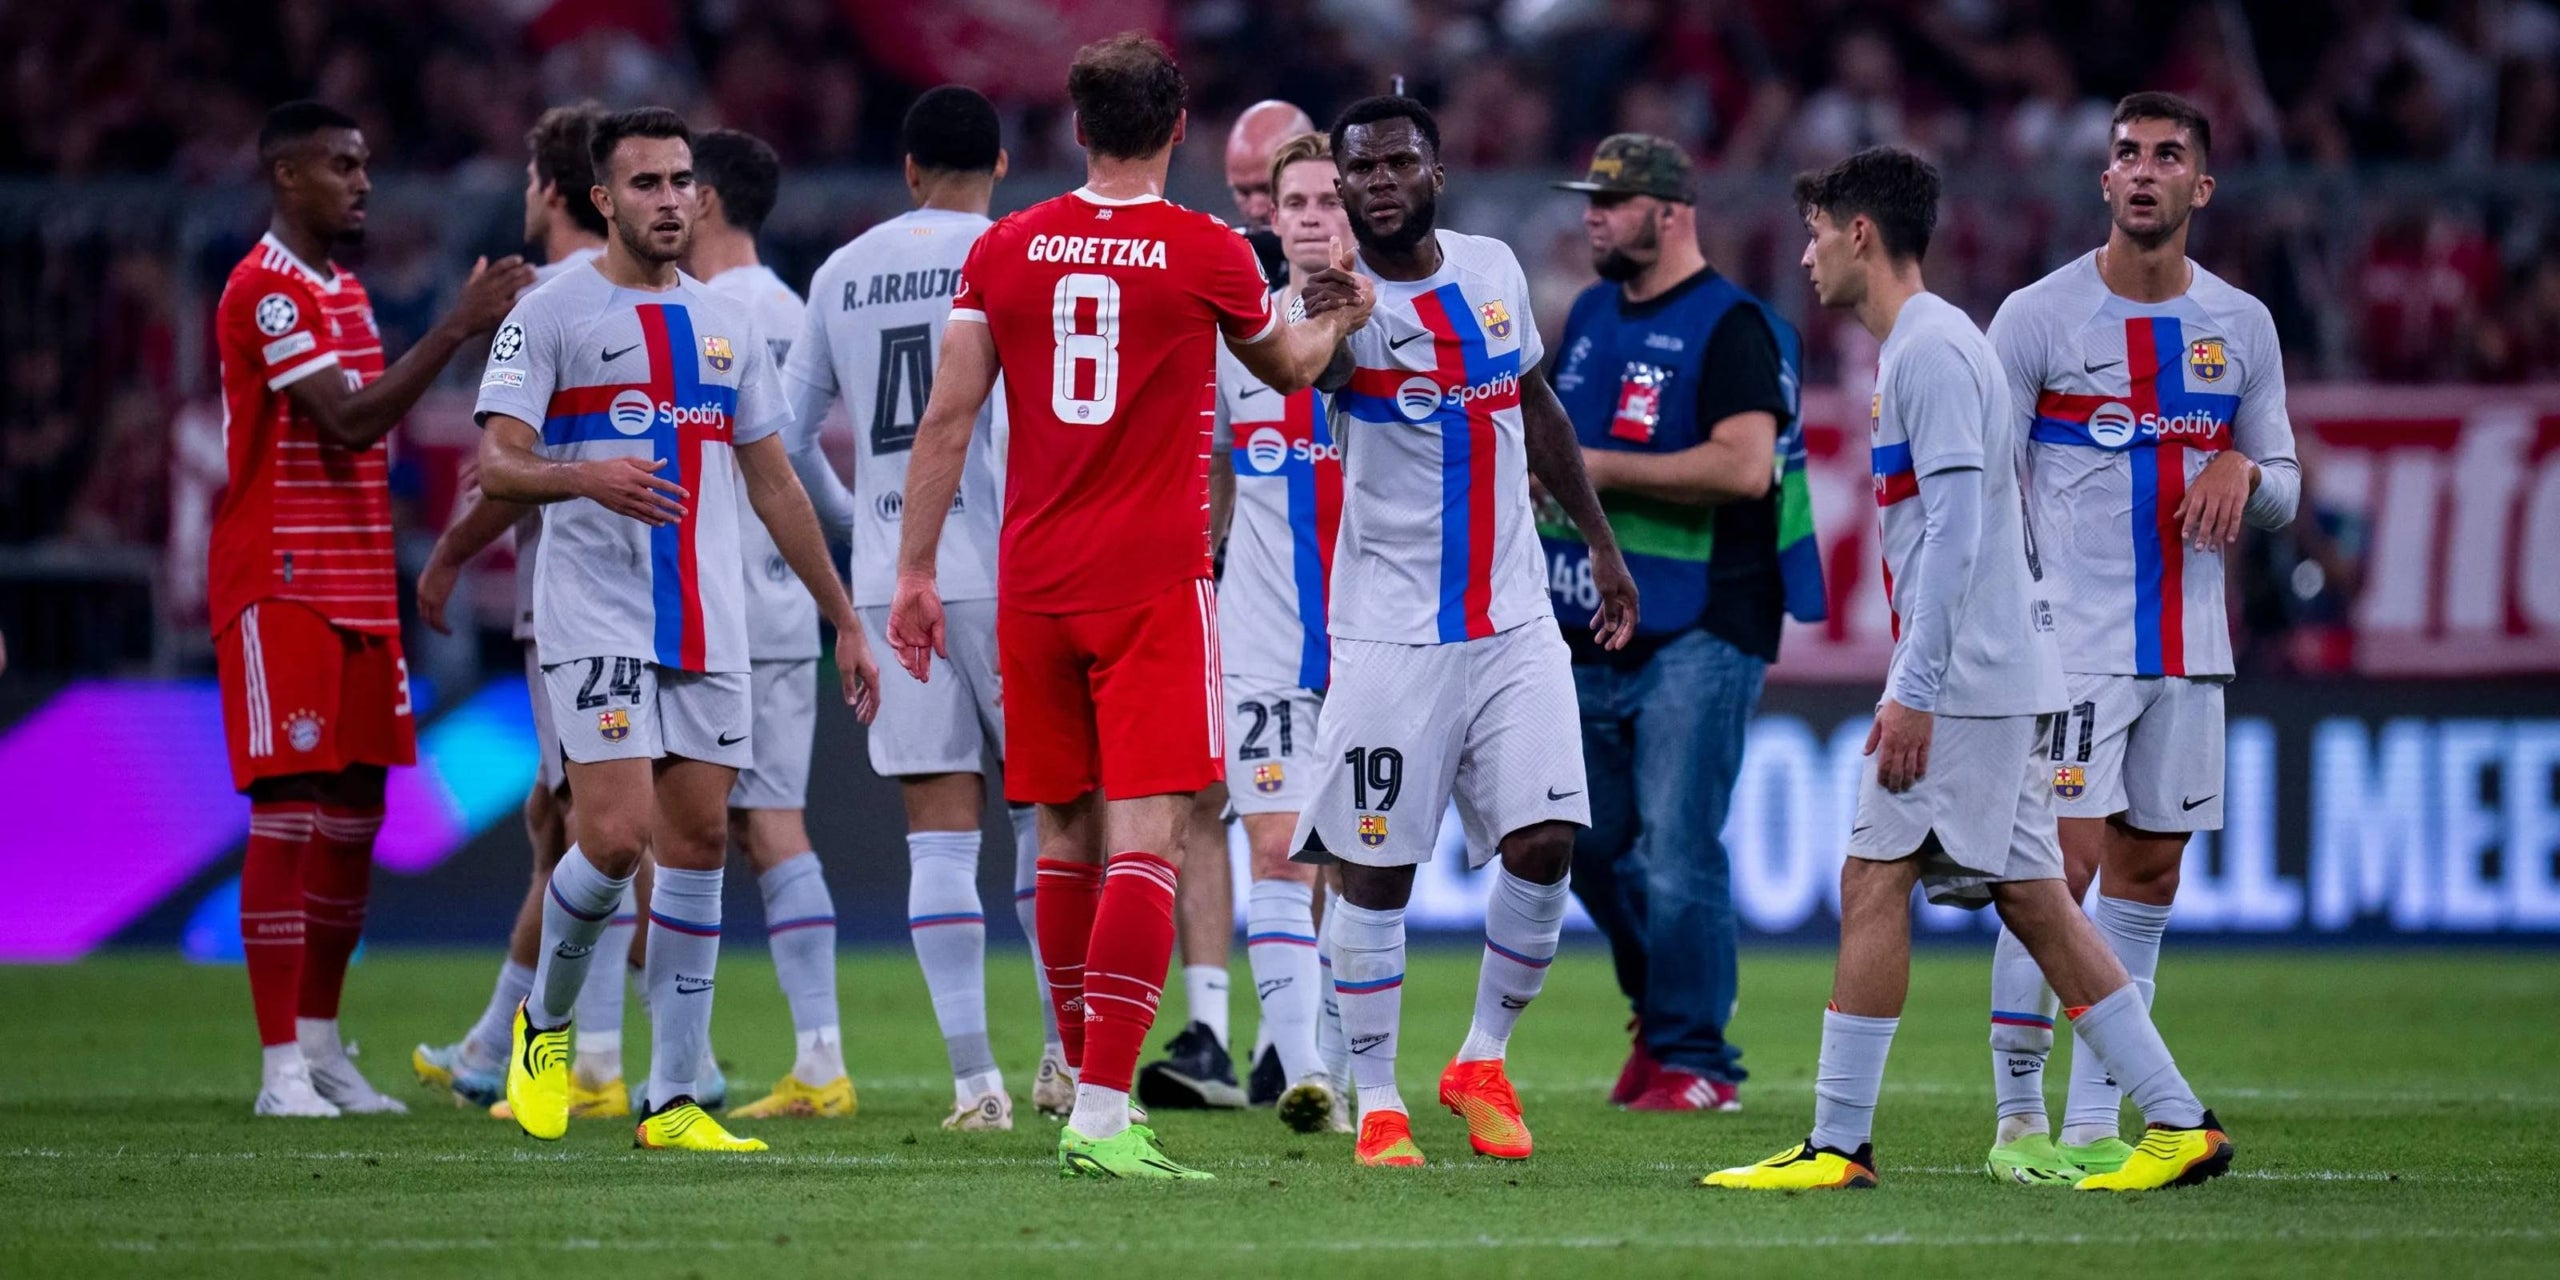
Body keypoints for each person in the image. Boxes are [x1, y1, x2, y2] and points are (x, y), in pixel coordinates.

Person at [887, 33, 1372, 1180]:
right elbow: (1292, 366)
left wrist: (913, 570)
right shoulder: (1202, 248)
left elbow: (946, 420)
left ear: (1075, 127)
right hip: (1150, 585)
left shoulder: (1002, 250)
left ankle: (1073, 1068)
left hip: (1031, 583)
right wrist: (1341, 316)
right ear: (1176, 128)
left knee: (1063, 835)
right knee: (1148, 835)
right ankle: (1105, 1110)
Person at [1703, 146, 2231, 1194]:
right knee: (2035, 897)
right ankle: (2178, 1118)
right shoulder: (1933, 345)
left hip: (1971, 678)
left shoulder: (1931, 353)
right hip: (2002, 669)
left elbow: (1951, 533)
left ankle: (1839, 1143)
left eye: (1816, 232)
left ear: (1860, 233)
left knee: (1873, 875)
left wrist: (1915, 688)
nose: (1805, 256)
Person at [473, 107, 878, 1153]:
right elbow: (497, 462)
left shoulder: (724, 322)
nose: (668, 200)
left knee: (698, 843)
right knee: (611, 837)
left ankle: (672, 1094)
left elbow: (775, 479)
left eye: (681, 182)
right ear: (601, 199)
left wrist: (845, 618)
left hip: (708, 616)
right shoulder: (550, 312)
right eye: (644, 183)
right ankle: (545, 1032)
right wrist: (584, 473)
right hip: (595, 612)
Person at [1292, 95, 1639, 1171]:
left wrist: (1601, 539)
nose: (1380, 181)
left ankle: (1481, 1057)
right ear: (1342, 189)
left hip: (1514, 617)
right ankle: (1382, 1099)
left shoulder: (1490, 271)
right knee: (1375, 869)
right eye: (1361, 170)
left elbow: (1532, 404)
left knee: (1546, 841)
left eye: (1399, 162)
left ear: (1435, 171)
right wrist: (1329, 321)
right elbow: (1321, 371)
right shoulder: (1331, 302)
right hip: (1392, 636)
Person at [1981, 91, 2298, 1185]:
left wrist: (2242, 468)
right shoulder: (2035, 316)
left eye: (2169, 156)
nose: (2146, 170)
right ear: (2104, 180)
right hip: (2066, 643)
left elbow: (2288, 486)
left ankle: (2091, 1129)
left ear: (2200, 187)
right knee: (2055, 872)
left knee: (2147, 877)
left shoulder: (2240, 325)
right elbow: (1977, 480)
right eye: (2128, 155)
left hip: (2189, 644)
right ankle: (2018, 1119)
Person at [212, 100, 531, 1117]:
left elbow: (369, 418)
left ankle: (319, 1047)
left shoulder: (343, 289)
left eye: (364, 163)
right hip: (284, 582)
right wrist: (456, 326)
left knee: (353, 819)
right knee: (291, 814)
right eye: (343, 166)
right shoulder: (265, 291)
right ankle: (275, 1072)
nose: (362, 182)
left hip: (357, 583)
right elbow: (349, 420)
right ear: (287, 178)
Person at [782, 86, 1059, 1129]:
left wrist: (867, 522)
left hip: (897, 576)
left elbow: (786, 431)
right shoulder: (1024, 250)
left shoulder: (841, 270)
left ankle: (972, 1082)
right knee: (1047, 816)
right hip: (1016, 566)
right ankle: (1064, 1061)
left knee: (936, 831)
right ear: (999, 162)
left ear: (905, 169)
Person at [1543, 133, 1827, 1115]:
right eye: (1590, 200)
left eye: (1611, 203)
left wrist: (1601, 468)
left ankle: (1696, 1055)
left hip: (1707, 618)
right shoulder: (1585, 316)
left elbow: (1746, 467)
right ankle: (1660, 1012)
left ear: (1671, 214)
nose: (1592, 217)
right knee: (1576, 838)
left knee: (1677, 845)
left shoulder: (1736, 325)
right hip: (1590, 619)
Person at [411, 100, 614, 1116]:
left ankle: (578, 1052)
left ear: (550, 188)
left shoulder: (556, 298)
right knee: (560, 822)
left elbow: (507, 464)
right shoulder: (643, 292)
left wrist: (448, 553)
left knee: (596, 827)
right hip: (623, 597)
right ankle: (504, 1043)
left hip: (577, 603)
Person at [1141, 94, 1316, 1114]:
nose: (1255, 210)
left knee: (1313, 819)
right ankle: (1210, 1025)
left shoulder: (1351, 294)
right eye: (1246, 190)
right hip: (1231, 596)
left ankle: (1298, 1034)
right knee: (1204, 796)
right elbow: (1204, 453)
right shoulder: (1218, 283)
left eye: (1274, 191)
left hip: (1336, 604)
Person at [676, 126, 854, 1122]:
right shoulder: (790, 306)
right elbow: (808, 472)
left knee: (708, 831)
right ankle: (802, 1054)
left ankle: (673, 1059)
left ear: (703, 199)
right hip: (780, 611)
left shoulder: (704, 314)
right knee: (754, 825)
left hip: (718, 610)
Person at [1189, 130, 1358, 1135]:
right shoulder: (1234, 330)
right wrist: (1203, 568)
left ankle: (1339, 1056)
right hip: (1258, 629)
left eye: (1326, 199)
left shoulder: (1396, 326)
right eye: (1292, 200)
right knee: (1277, 851)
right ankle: (1306, 1075)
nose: (1307, 215)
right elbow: (1214, 461)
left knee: (1361, 863)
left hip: (1373, 633)